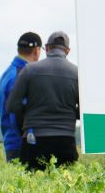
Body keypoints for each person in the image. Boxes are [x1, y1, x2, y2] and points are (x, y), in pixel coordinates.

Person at [7, 31, 80, 171]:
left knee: (31, 188)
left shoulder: (29, 70)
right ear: (68, 51)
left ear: (46, 48)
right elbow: (82, 111)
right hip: (66, 140)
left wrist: (30, 115)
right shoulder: (76, 73)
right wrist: (68, 113)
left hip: (34, 139)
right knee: (64, 187)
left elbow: (12, 105)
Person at [0, 32, 42, 162]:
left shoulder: (7, 73)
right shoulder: (21, 75)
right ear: (36, 50)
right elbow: (16, 111)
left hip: (10, 140)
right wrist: (27, 138)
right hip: (20, 143)